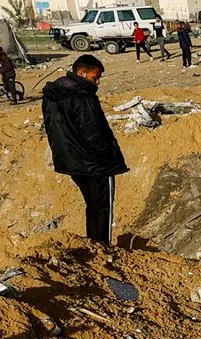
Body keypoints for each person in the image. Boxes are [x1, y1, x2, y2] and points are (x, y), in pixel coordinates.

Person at [41, 55, 128, 245]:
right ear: (81, 73)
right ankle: (103, 248)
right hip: (95, 164)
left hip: (70, 161)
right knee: (102, 208)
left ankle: (94, 245)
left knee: (92, 206)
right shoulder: (82, 96)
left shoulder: (52, 94)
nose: (97, 82)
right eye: (94, 77)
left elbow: (50, 128)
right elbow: (94, 134)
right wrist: (111, 159)